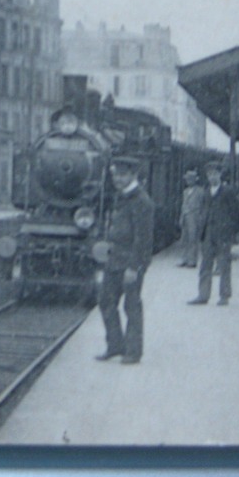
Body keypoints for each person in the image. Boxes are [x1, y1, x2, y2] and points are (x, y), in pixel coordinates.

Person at [95, 156, 155, 365]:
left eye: (122, 175)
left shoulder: (141, 201)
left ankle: (133, 351)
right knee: (105, 301)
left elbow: (143, 239)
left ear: (132, 175)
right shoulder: (121, 197)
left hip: (130, 262)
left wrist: (134, 267)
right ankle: (115, 345)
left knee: (131, 306)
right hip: (114, 260)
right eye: (115, 175)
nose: (117, 179)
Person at [190, 162, 239, 305]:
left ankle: (224, 296)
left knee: (224, 265)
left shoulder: (228, 191)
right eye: (209, 174)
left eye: (215, 174)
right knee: (205, 265)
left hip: (223, 235)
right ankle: (203, 295)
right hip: (208, 234)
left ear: (220, 174)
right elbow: (203, 211)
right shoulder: (206, 192)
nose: (212, 177)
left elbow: (236, 214)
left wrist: (232, 232)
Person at [177, 168, 205, 267]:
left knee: (193, 239)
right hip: (185, 216)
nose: (189, 181)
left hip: (194, 216)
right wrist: (181, 217)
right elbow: (183, 205)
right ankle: (183, 259)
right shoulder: (185, 191)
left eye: (191, 179)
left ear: (195, 180)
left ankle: (192, 260)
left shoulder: (200, 191)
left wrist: (201, 218)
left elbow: (202, 205)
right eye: (187, 179)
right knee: (184, 238)